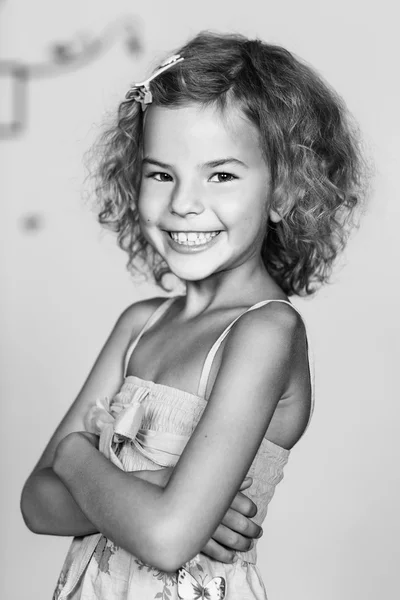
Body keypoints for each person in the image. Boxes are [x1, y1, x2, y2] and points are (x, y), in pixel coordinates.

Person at [21, 31, 365, 600]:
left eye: (222, 174)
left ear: (283, 192)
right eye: (161, 173)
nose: (183, 201)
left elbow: (166, 538)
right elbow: (37, 504)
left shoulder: (266, 331)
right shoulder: (140, 326)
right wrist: (153, 487)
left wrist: (73, 455)